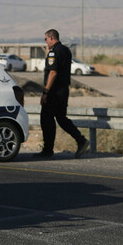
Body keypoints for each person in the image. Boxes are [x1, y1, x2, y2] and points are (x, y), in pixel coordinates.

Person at [35, 29, 90, 159]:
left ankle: (48, 150)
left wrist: (46, 92)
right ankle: (81, 140)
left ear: (51, 38)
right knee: (61, 118)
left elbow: (53, 72)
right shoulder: (66, 50)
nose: (46, 42)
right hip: (63, 90)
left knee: (46, 119)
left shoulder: (54, 51)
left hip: (54, 92)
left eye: (46, 39)